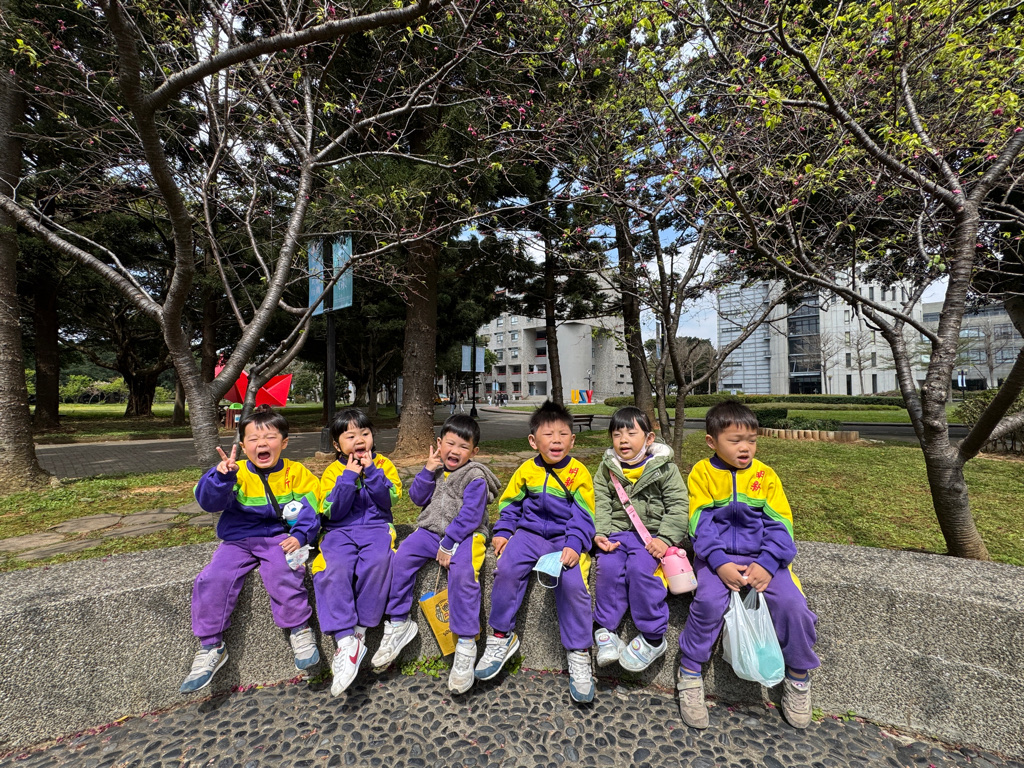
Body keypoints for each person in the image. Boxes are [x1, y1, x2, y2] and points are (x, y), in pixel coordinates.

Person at [677, 401, 819, 729]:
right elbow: (699, 524)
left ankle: (798, 676)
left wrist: (768, 564)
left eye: (752, 440)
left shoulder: (765, 476)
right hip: (716, 560)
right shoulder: (702, 473)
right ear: (711, 441)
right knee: (708, 603)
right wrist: (719, 563)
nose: (746, 448)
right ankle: (690, 672)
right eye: (735, 440)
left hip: (764, 561)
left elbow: (781, 525)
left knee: (793, 605)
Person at [181, 405, 321, 693]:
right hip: (238, 540)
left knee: (285, 571)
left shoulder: (297, 472)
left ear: (284, 442)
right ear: (243, 446)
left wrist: (300, 535)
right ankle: (211, 646)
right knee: (213, 578)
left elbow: (311, 509)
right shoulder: (235, 472)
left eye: (270, 437)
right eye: (253, 439)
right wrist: (221, 478)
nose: (262, 444)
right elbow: (208, 502)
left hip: (279, 537)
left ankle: (300, 630)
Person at [474, 401, 598, 703]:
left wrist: (575, 543)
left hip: (563, 539)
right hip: (528, 536)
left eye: (563, 434)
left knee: (573, 585)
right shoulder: (526, 470)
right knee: (506, 570)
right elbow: (510, 504)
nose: (556, 441)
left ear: (572, 440)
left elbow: (584, 515)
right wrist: (503, 532)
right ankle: (501, 636)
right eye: (548, 434)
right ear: (533, 441)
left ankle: (579, 652)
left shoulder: (578, 473)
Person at [371, 414, 501, 693]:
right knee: (401, 558)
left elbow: (471, 516)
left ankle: (466, 643)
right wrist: (427, 471)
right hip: (430, 531)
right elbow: (417, 498)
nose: (455, 451)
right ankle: (398, 622)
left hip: (466, 536)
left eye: (463, 447)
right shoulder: (436, 469)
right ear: (439, 443)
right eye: (450, 444)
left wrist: (450, 542)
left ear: (474, 452)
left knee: (463, 572)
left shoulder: (475, 476)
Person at [592, 406, 689, 672]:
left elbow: (678, 505)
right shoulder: (607, 468)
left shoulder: (665, 468)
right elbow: (601, 503)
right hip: (616, 534)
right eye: (617, 434)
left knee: (640, 571)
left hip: (652, 537)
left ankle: (653, 637)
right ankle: (606, 630)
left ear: (649, 438)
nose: (623, 440)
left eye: (631, 433)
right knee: (608, 569)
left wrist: (666, 538)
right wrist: (601, 533)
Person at [314, 409, 403, 696]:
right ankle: (344, 640)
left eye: (365, 433)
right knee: (333, 568)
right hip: (339, 531)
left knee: (378, 562)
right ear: (337, 445)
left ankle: (360, 632)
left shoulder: (384, 464)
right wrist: (348, 478)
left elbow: (390, 500)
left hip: (377, 528)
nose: (360, 440)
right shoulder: (333, 471)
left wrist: (372, 472)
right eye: (350, 436)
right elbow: (332, 511)